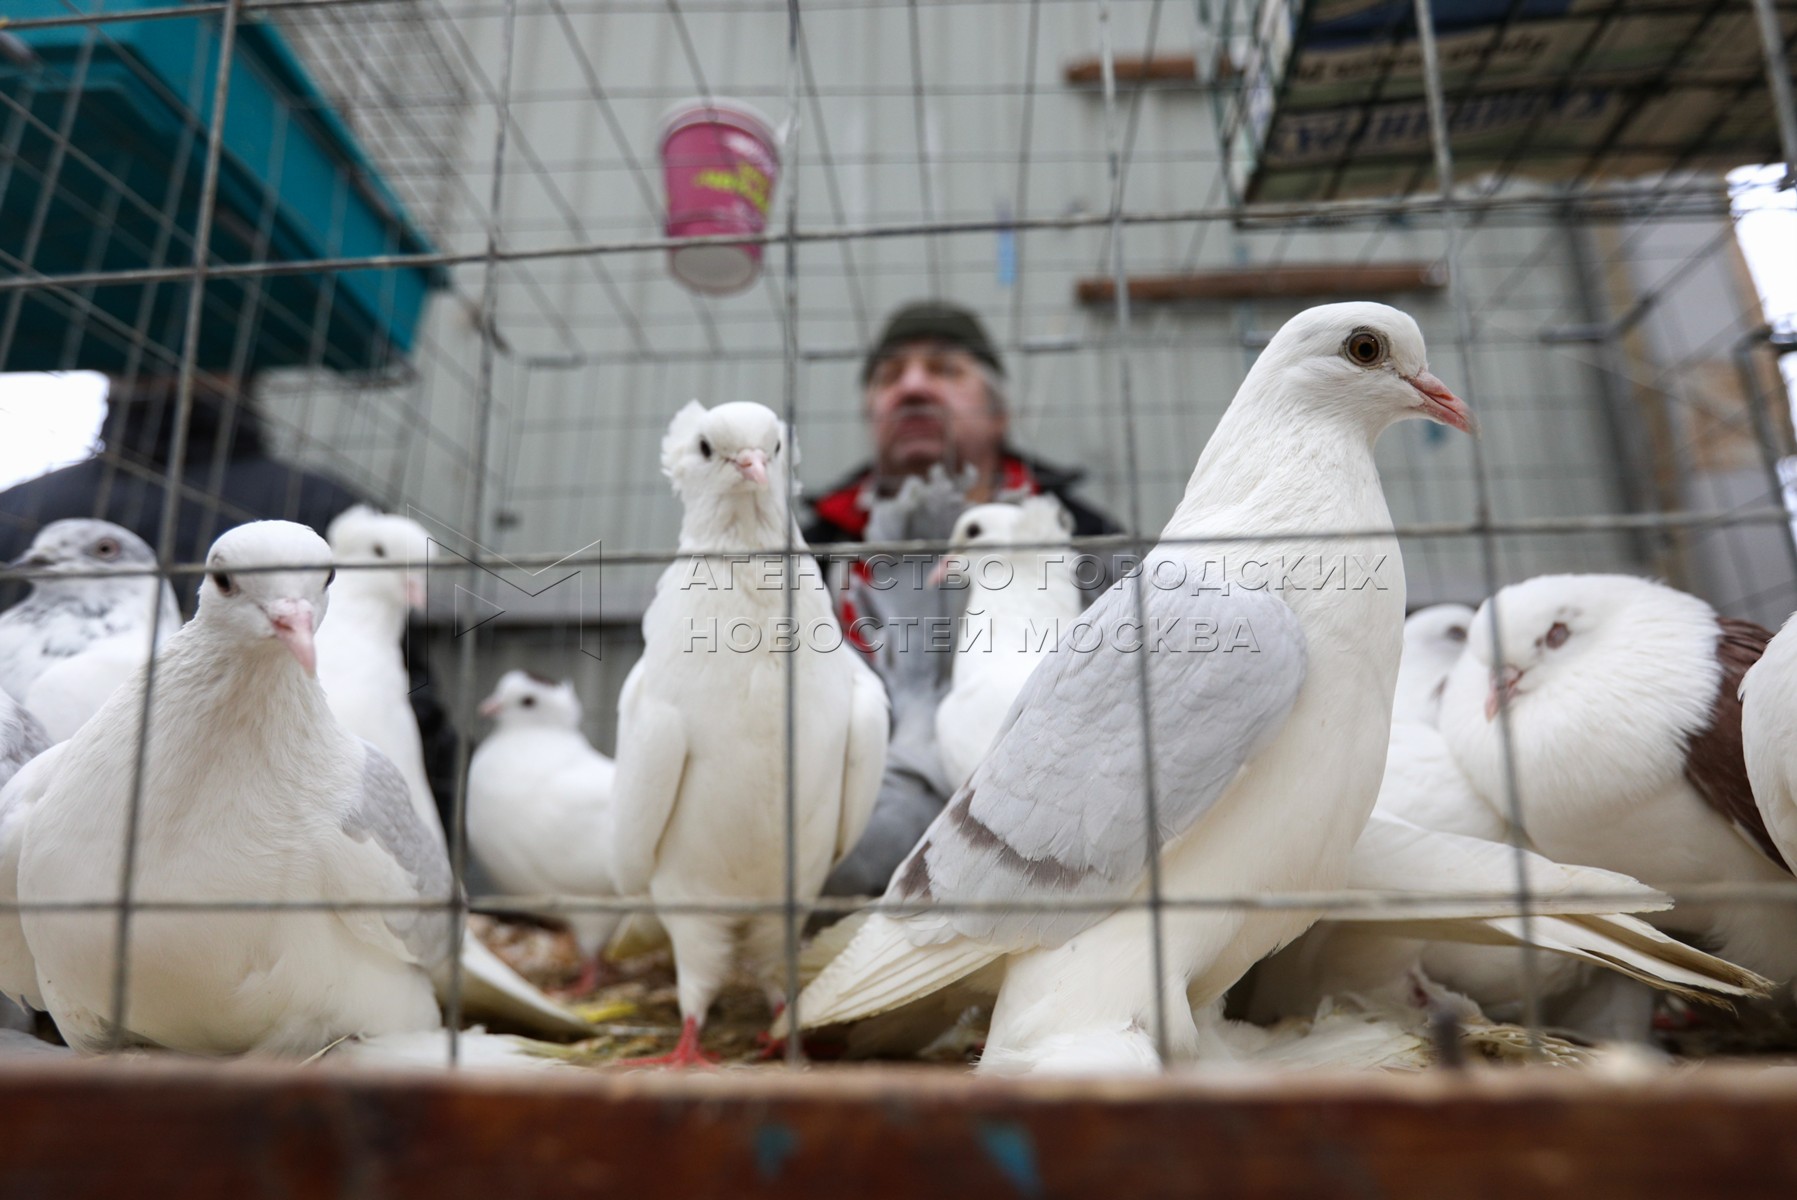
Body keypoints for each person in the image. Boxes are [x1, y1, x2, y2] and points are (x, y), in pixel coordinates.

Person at [0, 373, 462, 834]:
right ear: (244, 377)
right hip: (267, 822)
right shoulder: (320, 503)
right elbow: (412, 702)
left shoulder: (20, 505)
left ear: (113, 375)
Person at [803, 300, 1123, 549]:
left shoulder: (1084, 538)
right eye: (890, 376)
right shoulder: (813, 553)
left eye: (944, 369)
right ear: (869, 415)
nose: (912, 387)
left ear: (998, 413)